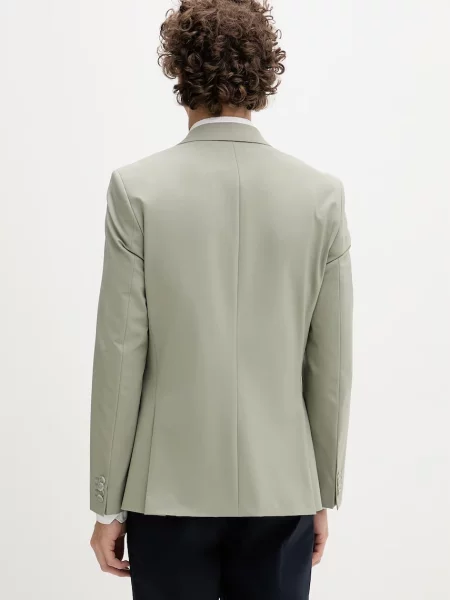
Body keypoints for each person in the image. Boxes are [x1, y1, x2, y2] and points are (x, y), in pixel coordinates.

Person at [89, 1, 353, 598]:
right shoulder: (321, 197)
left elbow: (120, 356)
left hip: (165, 490)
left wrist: (107, 503)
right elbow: (331, 367)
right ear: (263, 78)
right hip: (282, 486)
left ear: (180, 74)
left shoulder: (137, 191)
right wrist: (321, 491)